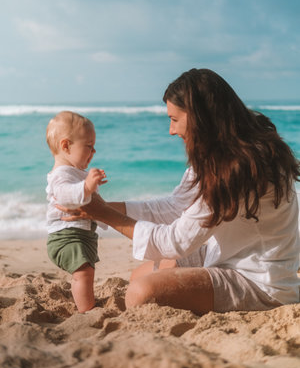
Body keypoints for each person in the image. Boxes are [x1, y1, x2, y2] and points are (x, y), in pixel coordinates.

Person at [59, 69, 300, 315]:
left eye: (174, 119)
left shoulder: (236, 169)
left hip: (260, 281)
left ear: (199, 117)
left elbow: (175, 242)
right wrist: (97, 207)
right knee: (139, 276)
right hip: (227, 254)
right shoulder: (224, 153)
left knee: (141, 293)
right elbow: (174, 207)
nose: (171, 130)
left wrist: (105, 214)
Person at [46, 111, 107, 313]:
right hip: (66, 236)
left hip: (81, 235)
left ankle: (87, 304)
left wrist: (91, 187)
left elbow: (92, 205)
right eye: (89, 146)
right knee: (84, 273)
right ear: (65, 146)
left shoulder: (75, 172)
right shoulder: (61, 174)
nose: (94, 151)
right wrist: (87, 186)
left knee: (87, 271)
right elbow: (65, 196)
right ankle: (86, 310)